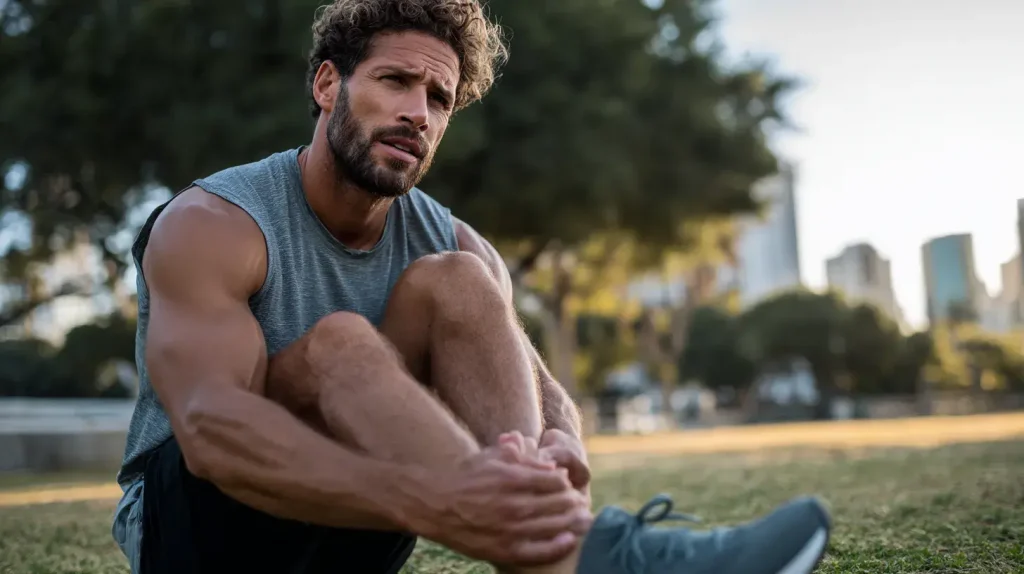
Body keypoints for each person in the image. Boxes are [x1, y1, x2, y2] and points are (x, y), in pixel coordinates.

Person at [111, 1, 832, 572]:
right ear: (328, 85)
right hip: (201, 535)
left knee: (459, 280)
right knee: (339, 344)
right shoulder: (216, 222)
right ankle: (579, 558)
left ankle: (556, 551)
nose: (418, 113)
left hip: (358, 537)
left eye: (439, 98)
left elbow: (541, 388)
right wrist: (440, 496)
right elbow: (211, 432)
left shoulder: (455, 242)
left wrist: (561, 444)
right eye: (395, 81)